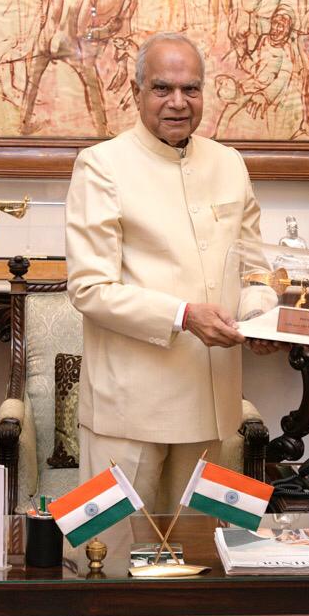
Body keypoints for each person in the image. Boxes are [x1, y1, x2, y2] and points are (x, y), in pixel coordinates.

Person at [65, 32, 270, 514]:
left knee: (204, 560)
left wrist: (260, 317)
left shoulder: (230, 164)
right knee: (107, 557)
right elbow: (90, 289)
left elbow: (257, 268)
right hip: (127, 413)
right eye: (162, 88)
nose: (178, 102)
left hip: (215, 412)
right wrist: (183, 315)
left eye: (191, 89)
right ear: (136, 93)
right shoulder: (101, 165)